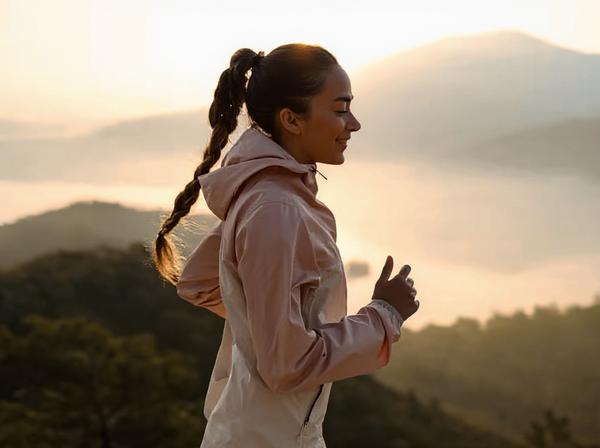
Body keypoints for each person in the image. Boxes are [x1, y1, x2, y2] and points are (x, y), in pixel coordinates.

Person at [150, 44, 420, 448]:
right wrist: (384, 315)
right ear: (292, 119)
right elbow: (286, 364)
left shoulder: (265, 195)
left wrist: (269, 319)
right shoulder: (276, 207)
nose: (355, 124)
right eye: (341, 109)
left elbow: (201, 282)